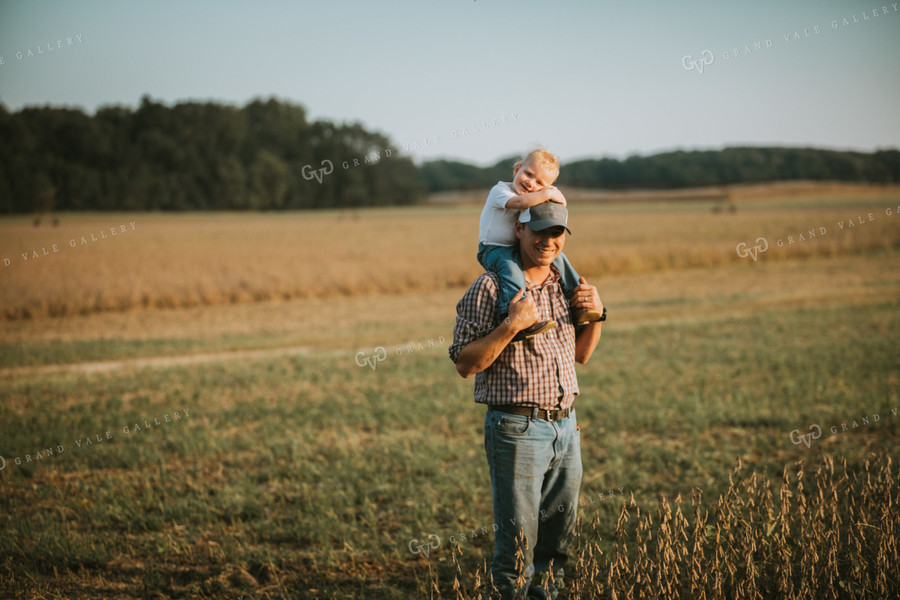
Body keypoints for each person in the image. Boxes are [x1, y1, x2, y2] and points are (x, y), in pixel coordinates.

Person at [450, 201, 605, 599]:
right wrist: (510, 326)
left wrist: (597, 316)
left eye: (556, 233)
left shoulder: (562, 285)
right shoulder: (488, 288)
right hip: (517, 431)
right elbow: (465, 364)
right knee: (518, 548)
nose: (547, 240)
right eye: (538, 230)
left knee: (556, 544)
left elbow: (582, 355)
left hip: (567, 428)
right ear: (518, 230)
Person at [477, 149, 601, 341]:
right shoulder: (500, 191)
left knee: (560, 258)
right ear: (517, 169)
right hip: (493, 249)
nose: (530, 183)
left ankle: (579, 303)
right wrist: (549, 192)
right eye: (528, 174)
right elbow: (521, 202)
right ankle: (514, 318)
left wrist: (550, 195)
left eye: (539, 183)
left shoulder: (535, 196)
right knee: (511, 270)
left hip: (515, 247)